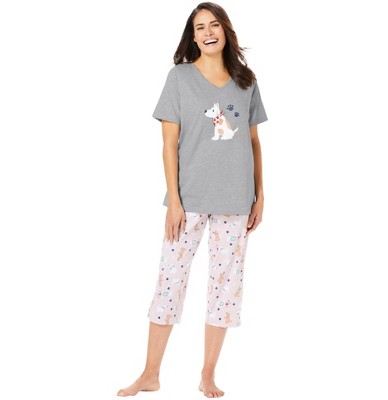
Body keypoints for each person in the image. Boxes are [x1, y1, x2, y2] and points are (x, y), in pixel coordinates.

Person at [117, 2, 268, 398]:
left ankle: (207, 375)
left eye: (213, 24)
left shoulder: (246, 79)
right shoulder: (180, 77)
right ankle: (150, 374)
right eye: (200, 27)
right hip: (189, 200)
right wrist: (175, 201)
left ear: (225, 30)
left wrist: (260, 195)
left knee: (225, 290)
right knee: (170, 282)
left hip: (236, 200)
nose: (208, 32)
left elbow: (253, 142)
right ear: (193, 36)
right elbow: (169, 145)